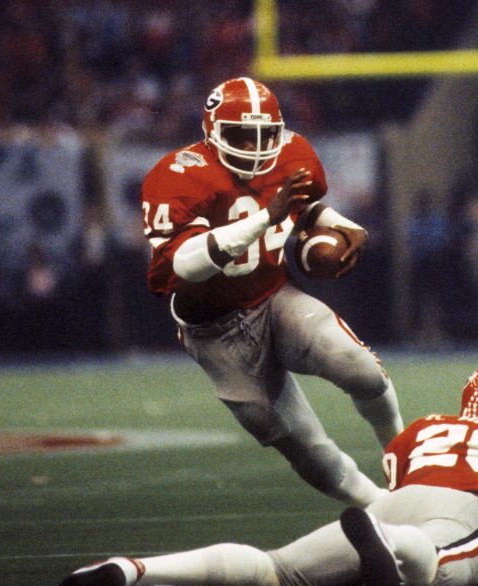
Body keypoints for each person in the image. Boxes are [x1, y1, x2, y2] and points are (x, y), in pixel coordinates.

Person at [59, 362, 478, 586]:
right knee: (437, 568)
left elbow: (405, 482)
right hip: (458, 516)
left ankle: (134, 569)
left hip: (396, 504)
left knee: (277, 571)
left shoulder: (424, 428)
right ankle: (394, 545)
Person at [140, 77, 403, 508]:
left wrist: (341, 227)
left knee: (360, 368)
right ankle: (385, 511)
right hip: (215, 331)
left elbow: (306, 208)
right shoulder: (179, 174)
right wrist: (266, 218)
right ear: (213, 131)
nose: (257, 146)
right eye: (243, 134)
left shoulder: (294, 153)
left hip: (274, 296)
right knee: (309, 452)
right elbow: (183, 265)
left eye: (266, 133)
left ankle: (405, 462)